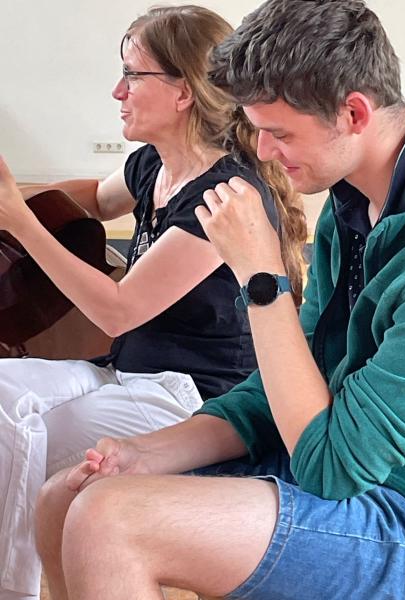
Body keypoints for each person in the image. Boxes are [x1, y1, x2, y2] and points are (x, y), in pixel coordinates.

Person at [35, 0, 405, 598]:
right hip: (336, 468)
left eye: (279, 133)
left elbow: (333, 466)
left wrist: (262, 278)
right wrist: (146, 453)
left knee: (111, 521)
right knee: (65, 495)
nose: (262, 150)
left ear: (354, 112)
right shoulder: (353, 202)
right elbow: (287, 385)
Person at [0, 5, 305, 600]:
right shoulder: (153, 165)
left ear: (183, 92)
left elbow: (119, 310)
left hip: (193, 397)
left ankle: (17, 589)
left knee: (30, 434)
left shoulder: (224, 196)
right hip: (127, 373)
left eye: (131, 75)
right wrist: (19, 198)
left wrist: (20, 221)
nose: (118, 92)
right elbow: (95, 197)